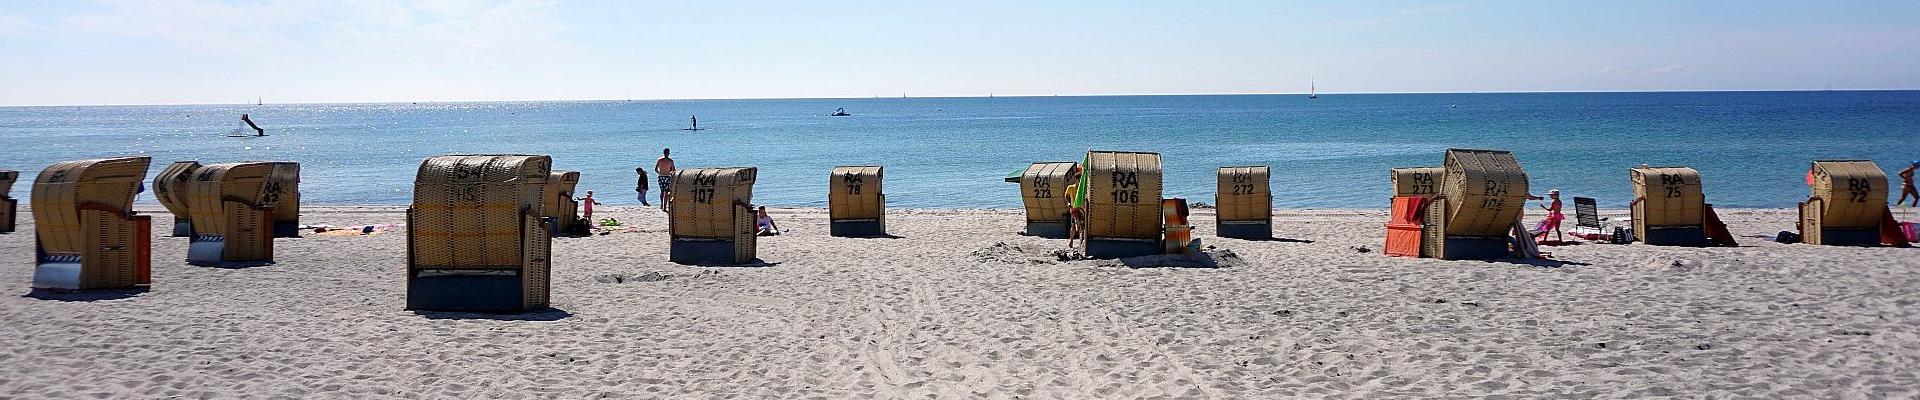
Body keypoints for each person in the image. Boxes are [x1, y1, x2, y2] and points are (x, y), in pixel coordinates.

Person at [1065, 165, 1085, 248]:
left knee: (1083, 225)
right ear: (1076, 180)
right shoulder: (1071, 187)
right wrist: (1068, 203)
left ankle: (1081, 242)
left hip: (1081, 209)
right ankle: (1071, 240)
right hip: (1073, 208)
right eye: (1079, 181)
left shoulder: (1083, 189)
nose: (1080, 183)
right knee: (1073, 226)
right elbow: (1066, 195)